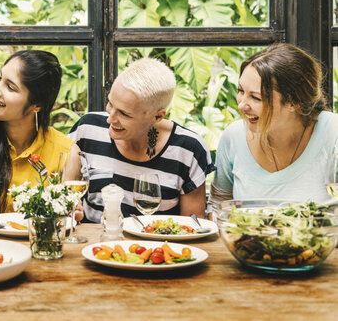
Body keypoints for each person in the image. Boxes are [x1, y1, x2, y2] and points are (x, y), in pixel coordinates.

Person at [69, 57, 214, 222]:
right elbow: (63, 192)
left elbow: (192, 226)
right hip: (94, 245)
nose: (110, 119)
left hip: (156, 246)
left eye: (124, 114)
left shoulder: (188, 150)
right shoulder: (88, 128)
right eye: (110, 103)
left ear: (157, 116)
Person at [0, 49, 82, 223]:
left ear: (37, 105)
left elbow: (62, 226)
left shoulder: (67, 154)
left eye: (10, 87)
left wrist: (72, 213)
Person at [211, 43, 338, 203]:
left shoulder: (334, 134)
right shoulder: (233, 136)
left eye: (256, 98)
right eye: (240, 91)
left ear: (293, 102)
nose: (242, 105)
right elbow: (219, 204)